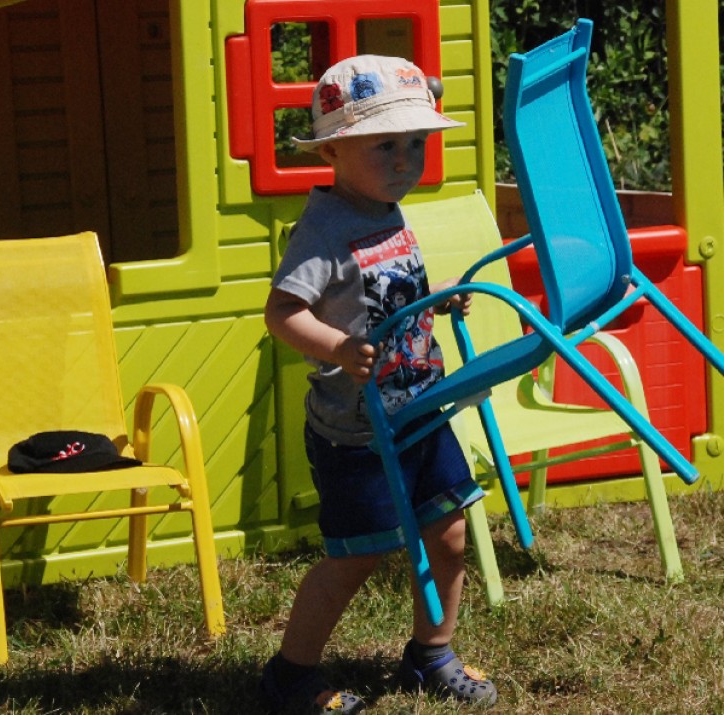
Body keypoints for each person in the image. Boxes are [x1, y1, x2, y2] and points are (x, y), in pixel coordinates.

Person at [260, 55, 498, 713]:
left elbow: (386, 296)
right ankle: (289, 677)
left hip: (420, 409)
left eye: (415, 143)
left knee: (449, 533)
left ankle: (432, 654)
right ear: (332, 150)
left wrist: (434, 297)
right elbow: (282, 312)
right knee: (354, 559)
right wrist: (337, 346)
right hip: (358, 431)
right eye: (385, 145)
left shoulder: (389, 209)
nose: (404, 160)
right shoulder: (324, 229)